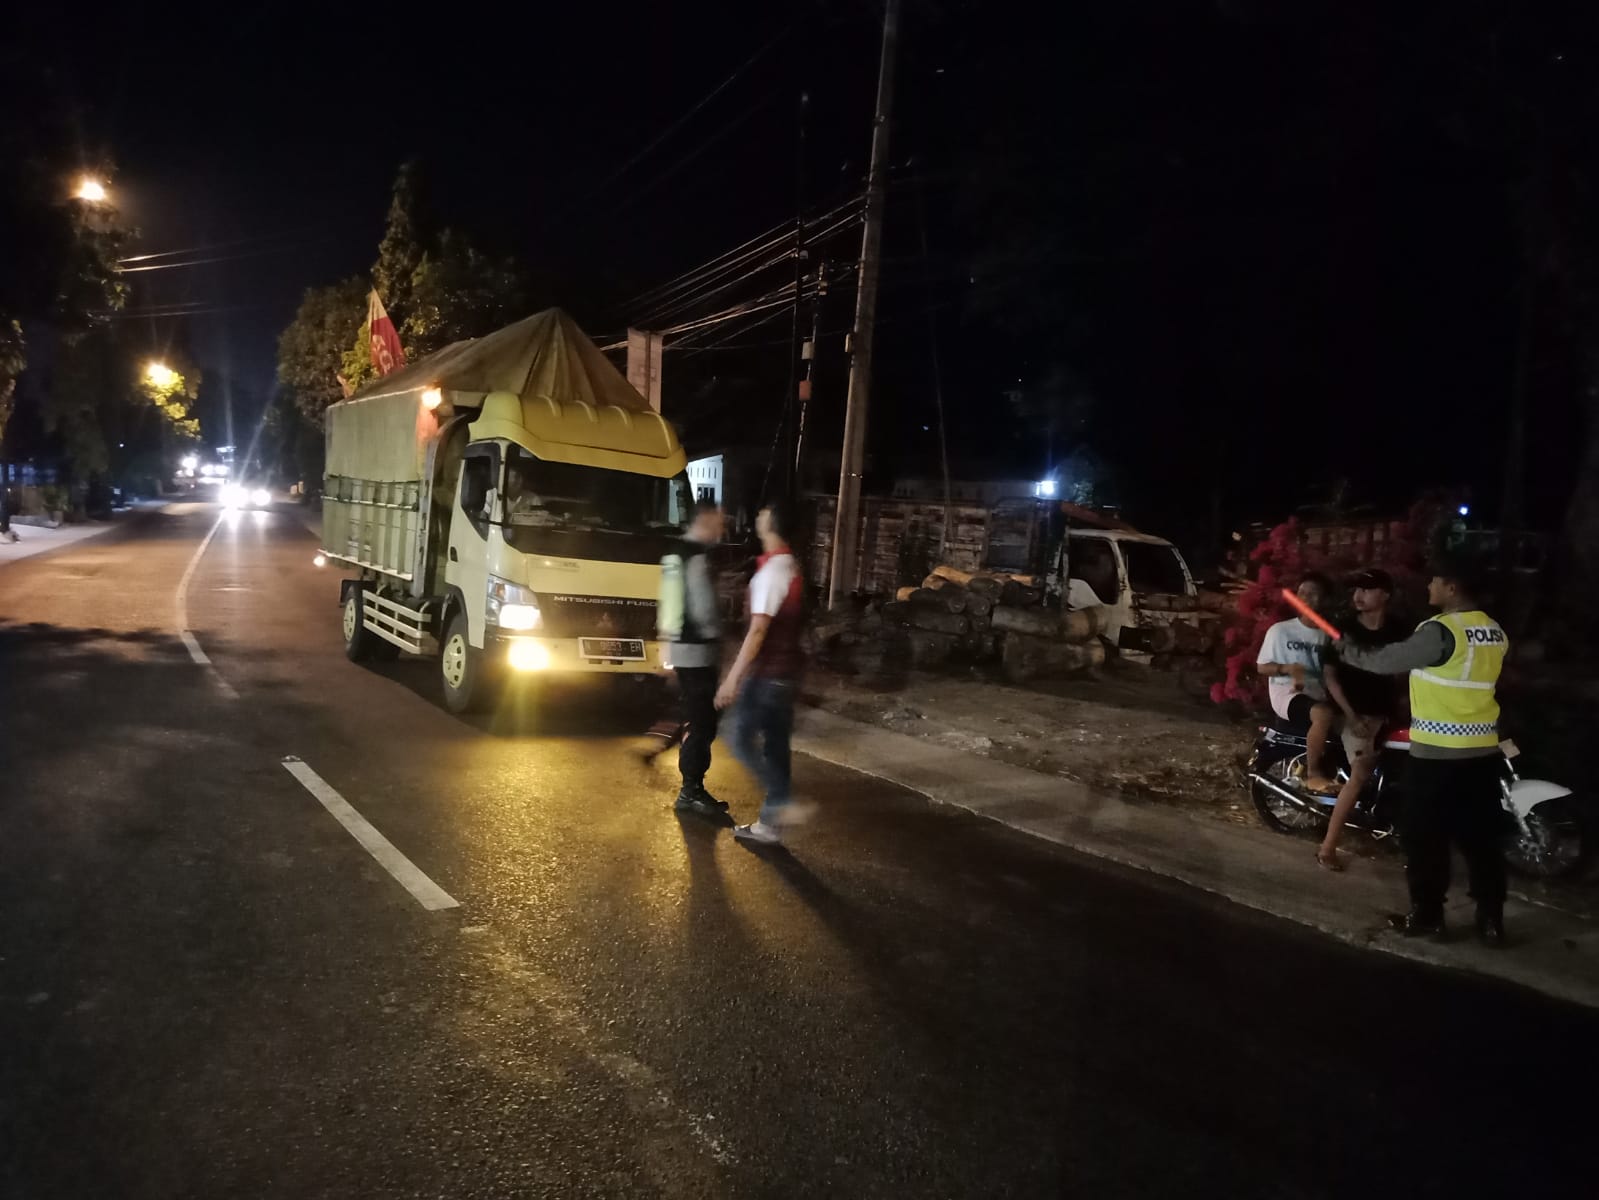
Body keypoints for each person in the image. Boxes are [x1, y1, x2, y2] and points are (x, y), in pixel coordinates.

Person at [1337, 556, 1510, 944]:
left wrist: (1343, 647)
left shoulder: (1440, 631)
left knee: (1424, 838)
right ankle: (1491, 921)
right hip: (1481, 753)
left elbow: (1383, 661)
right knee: (1482, 840)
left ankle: (1429, 916)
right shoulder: (1493, 630)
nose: (1428, 587)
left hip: (1437, 755)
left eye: (1434, 581)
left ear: (1451, 588)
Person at [716, 502, 807, 846]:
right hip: (785, 673)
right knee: (775, 747)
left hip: (768, 675)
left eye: (763, 513)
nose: (757, 516)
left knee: (738, 739)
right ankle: (771, 825)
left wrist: (732, 679)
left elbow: (757, 632)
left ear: (772, 523)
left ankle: (782, 801)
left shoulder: (773, 573)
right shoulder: (789, 566)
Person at [1314, 568, 1408, 869]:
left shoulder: (1398, 629)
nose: (1358, 595)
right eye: (1356, 589)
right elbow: (1330, 677)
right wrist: (1352, 716)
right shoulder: (1343, 629)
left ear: (1385, 594)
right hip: (1350, 712)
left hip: (1387, 712)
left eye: (1366, 590)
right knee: (1360, 774)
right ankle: (1327, 848)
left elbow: (1405, 670)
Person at [657, 500, 728, 819]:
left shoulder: (676, 553)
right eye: (719, 522)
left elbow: (668, 601)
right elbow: (701, 608)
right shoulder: (696, 557)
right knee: (703, 723)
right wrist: (718, 635)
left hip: (685, 649)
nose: (722, 529)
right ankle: (690, 791)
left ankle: (691, 786)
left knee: (698, 718)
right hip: (698, 651)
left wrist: (666, 641)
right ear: (706, 520)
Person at [1256, 573, 1338, 779]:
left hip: (1316, 694)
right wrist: (1287, 669)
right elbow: (1262, 667)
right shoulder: (1281, 631)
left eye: (1313, 594)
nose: (1306, 598)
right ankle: (1314, 774)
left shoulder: (1328, 635)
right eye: (1302, 593)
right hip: (1287, 693)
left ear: (1325, 599)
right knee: (1323, 714)